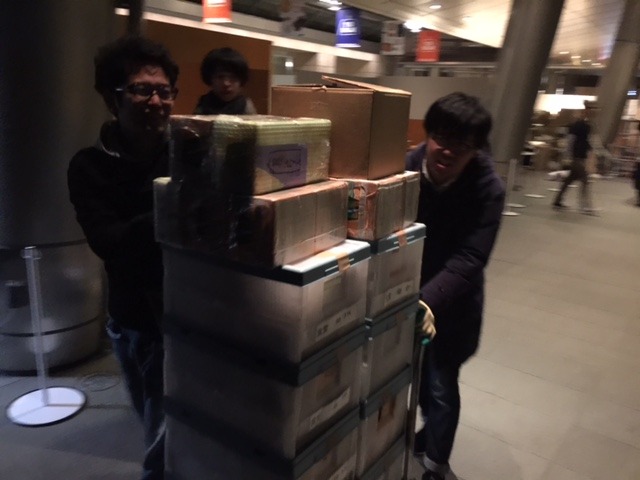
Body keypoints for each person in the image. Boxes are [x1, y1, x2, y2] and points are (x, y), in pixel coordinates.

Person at [67, 35, 179, 480]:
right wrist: (172, 206)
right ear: (112, 98)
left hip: (192, 316)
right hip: (138, 321)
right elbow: (108, 242)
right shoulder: (89, 167)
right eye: (141, 90)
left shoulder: (187, 153)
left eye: (164, 91)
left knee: (168, 438)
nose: (156, 101)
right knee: (156, 427)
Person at [406, 92, 506, 480]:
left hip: (454, 301)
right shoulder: (404, 168)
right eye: (442, 138)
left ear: (476, 149)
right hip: (405, 295)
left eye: (462, 146)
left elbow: (471, 257)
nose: (448, 151)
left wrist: (429, 300)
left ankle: (436, 465)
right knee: (416, 380)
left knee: (442, 385)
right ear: (429, 133)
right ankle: (424, 436)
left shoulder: (487, 187)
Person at [553, 109, 596, 214]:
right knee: (585, 180)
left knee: (569, 180)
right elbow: (571, 141)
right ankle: (585, 206)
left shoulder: (584, 126)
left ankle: (557, 201)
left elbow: (582, 141)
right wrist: (567, 155)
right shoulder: (579, 126)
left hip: (577, 157)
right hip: (576, 157)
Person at [194, 47, 257, 115]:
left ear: (241, 80)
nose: (226, 84)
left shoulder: (246, 106)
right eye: (220, 77)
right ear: (210, 78)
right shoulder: (204, 104)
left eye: (233, 77)